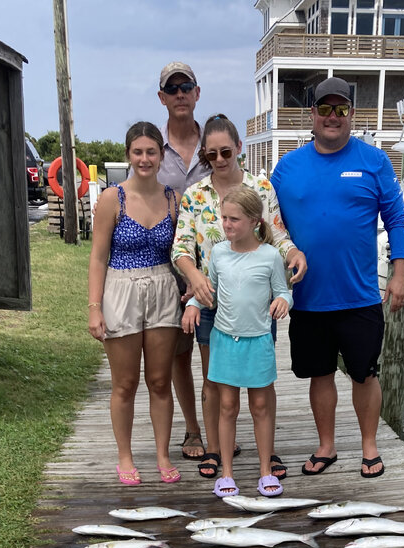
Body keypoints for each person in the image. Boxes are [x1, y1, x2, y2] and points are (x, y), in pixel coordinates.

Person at [271, 77, 404, 479]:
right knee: (320, 374)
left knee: (364, 373)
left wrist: (400, 273)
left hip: (359, 295)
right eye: (324, 109)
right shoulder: (287, 167)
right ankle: (326, 446)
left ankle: (369, 447)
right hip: (308, 297)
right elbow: (265, 221)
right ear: (312, 114)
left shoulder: (375, 161)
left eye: (341, 109)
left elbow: (398, 220)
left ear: (351, 113)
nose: (333, 117)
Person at [172, 113, 307, 482]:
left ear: (238, 148)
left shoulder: (260, 187)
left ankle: (267, 451)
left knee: (262, 384)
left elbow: (277, 235)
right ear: (204, 154)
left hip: (255, 303)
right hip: (209, 297)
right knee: (214, 380)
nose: (219, 159)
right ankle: (217, 449)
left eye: (225, 152)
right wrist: (195, 279)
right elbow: (181, 247)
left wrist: (294, 253)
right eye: (211, 154)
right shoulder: (195, 194)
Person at [182, 186, 292, 498]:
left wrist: (284, 301)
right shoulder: (218, 253)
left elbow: (283, 291)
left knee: (260, 406)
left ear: (255, 221)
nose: (227, 225)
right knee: (227, 406)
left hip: (258, 341)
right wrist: (193, 305)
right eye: (224, 218)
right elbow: (210, 291)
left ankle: (265, 470)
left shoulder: (270, 256)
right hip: (225, 341)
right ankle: (227, 473)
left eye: (234, 219)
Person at [87, 121, 182, 485]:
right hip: (121, 289)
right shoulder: (113, 198)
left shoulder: (173, 199)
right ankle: (125, 456)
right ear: (128, 154)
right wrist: (94, 307)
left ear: (161, 156)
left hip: (162, 289)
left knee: (159, 381)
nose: (145, 159)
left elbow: (183, 251)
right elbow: (98, 257)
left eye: (151, 152)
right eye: (138, 152)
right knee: (124, 383)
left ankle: (162, 454)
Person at [156, 61, 210, 462]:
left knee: (214, 352)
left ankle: (219, 427)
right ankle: (193, 429)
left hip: (215, 267)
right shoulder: (153, 148)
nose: (180, 94)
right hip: (169, 267)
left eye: (185, 86)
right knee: (179, 353)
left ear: (197, 92)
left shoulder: (215, 142)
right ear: (162, 97)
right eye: (172, 89)